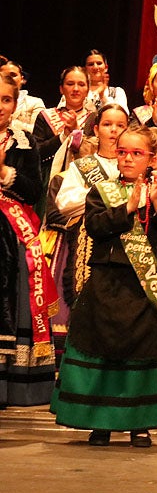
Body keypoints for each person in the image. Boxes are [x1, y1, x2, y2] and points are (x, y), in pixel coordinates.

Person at [50, 124, 157, 447]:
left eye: (136, 153)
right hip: (107, 284)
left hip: (146, 288)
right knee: (104, 349)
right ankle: (101, 422)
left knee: (141, 353)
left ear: (151, 158)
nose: (126, 159)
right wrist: (127, 208)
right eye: (122, 152)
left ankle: (140, 424)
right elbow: (96, 227)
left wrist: (155, 204)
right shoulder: (101, 191)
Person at [51, 104, 129, 352]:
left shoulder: (132, 164)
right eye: (107, 124)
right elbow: (65, 204)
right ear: (96, 129)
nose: (113, 131)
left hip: (127, 244)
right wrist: (106, 195)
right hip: (89, 243)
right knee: (86, 304)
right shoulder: (82, 167)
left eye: (120, 125)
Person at [1, 73, 57, 407]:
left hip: (10, 231)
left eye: (7, 100)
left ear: (15, 103)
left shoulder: (24, 141)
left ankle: (11, 386)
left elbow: (35, 191)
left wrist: (8, 175)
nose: (1, 106)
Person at [33, 67, 95, 212]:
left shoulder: (95, 118)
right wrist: (64, 135)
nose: (75, 89)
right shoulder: (45, 116)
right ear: (61, 88)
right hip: (48, 182)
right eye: (70, 84)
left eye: (81, 84)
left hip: (81, 182)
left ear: (87, 89)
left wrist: (76, 133)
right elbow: (37, 152)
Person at [1, 60, 45, 130]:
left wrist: (11, 122)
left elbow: (39, 131)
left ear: (22, 78)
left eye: (13, 75)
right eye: (5, 76)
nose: (9, 79)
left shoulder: (35, 103)